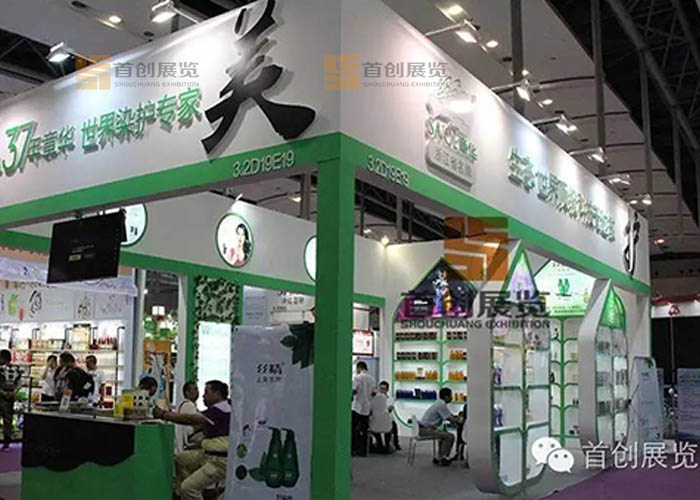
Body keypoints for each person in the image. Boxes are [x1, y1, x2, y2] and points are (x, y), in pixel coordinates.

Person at [153, 380, 231, 500]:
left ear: (217, 394)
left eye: (206, 392)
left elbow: (190, 420)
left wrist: (164, 415)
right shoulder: (218, 409)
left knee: (188, 488)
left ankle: (189, 490)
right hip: (208, 453)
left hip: (219, 459)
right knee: (180, 459)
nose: (202, 395)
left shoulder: (221, 410)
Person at [419, 387, 461, 466]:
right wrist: (460, 420)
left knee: (443, 434)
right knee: (449, 436)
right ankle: (443, 458)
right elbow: (450, 419)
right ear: (446, 396)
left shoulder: (439, 403)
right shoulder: (441, 405)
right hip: (425, 430)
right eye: (450, 395)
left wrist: (455, 417)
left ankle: (439, 458)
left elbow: (449, 415)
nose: (451, 398)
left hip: (423, 428)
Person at [351, 361, 375, 457]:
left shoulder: (357, 378)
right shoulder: (372, 379)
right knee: (364, 430)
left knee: (354, 429)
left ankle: (354, 449)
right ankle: (363, 451)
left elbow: (354, 390)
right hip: (367, 408)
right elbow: (373, 393)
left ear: (359, 368)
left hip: (357, 407)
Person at [0, 350, 21, 452]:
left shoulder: (1, 369)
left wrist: (3, 392)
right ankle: (6, 444)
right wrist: (14, 392)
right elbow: (19, 383)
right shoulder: (16, 369)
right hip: (10, 397)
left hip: (1, 396)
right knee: (8, 421)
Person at [369, 381, 396, 453]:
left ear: (387, 390)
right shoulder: (374, 399)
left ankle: (387, 445)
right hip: (376, 420)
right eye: (380, 388)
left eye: (383, 389)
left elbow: (390, 409)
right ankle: (380, 444)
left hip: (386, 419)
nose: (381, 390)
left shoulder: (389, 399)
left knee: (392, 426)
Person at [176, 381, 201, 452]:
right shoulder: (188, 405)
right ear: (187, 392)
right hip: (191, 437)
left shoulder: (189, 405)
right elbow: (197, 424)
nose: (197, 392)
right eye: (195, 389)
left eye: (197, 389)